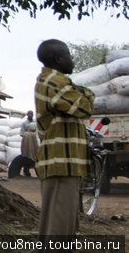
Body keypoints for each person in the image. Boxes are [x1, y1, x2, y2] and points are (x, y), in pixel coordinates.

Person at [35, 39, 94, 237]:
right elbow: (84, 106)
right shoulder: (54, 82)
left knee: (63, 217)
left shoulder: (57, 82)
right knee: (60, 220)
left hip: (66, 161)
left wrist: (79, 92)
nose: (72, 59)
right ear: (59, 59)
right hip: (61, 160)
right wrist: (85, 92)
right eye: (69, 55)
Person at [20, 111, 39, 177]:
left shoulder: (34, 123)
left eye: (32, 114)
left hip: (27, 146)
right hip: (28, 145)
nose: (31, 115)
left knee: (27, 158)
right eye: (29, 114)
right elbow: (21, 134)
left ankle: (30, 173)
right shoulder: (24, 124)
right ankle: (28, 173)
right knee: (33, 159)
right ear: (27, 115)